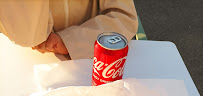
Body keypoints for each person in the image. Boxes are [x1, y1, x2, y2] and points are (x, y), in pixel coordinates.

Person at [0, 0, 138, 59]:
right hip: (27, 63)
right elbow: (29, 36)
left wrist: (69, 41)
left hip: (90, 58)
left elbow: (124, 18)